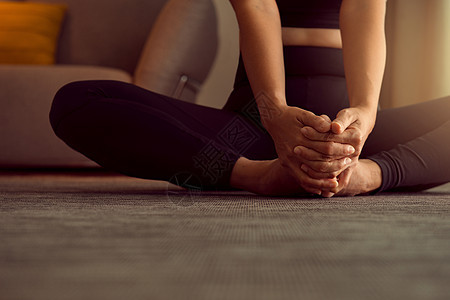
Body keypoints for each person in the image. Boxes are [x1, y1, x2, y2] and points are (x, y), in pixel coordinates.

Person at [49, 0, 450, 197]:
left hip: (355, 140)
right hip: (252, 130)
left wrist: (363, 114)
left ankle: (365, 176)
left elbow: (364, 13)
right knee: (77, 100)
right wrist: (273, 112)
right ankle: (258, 175)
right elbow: (256, 7)